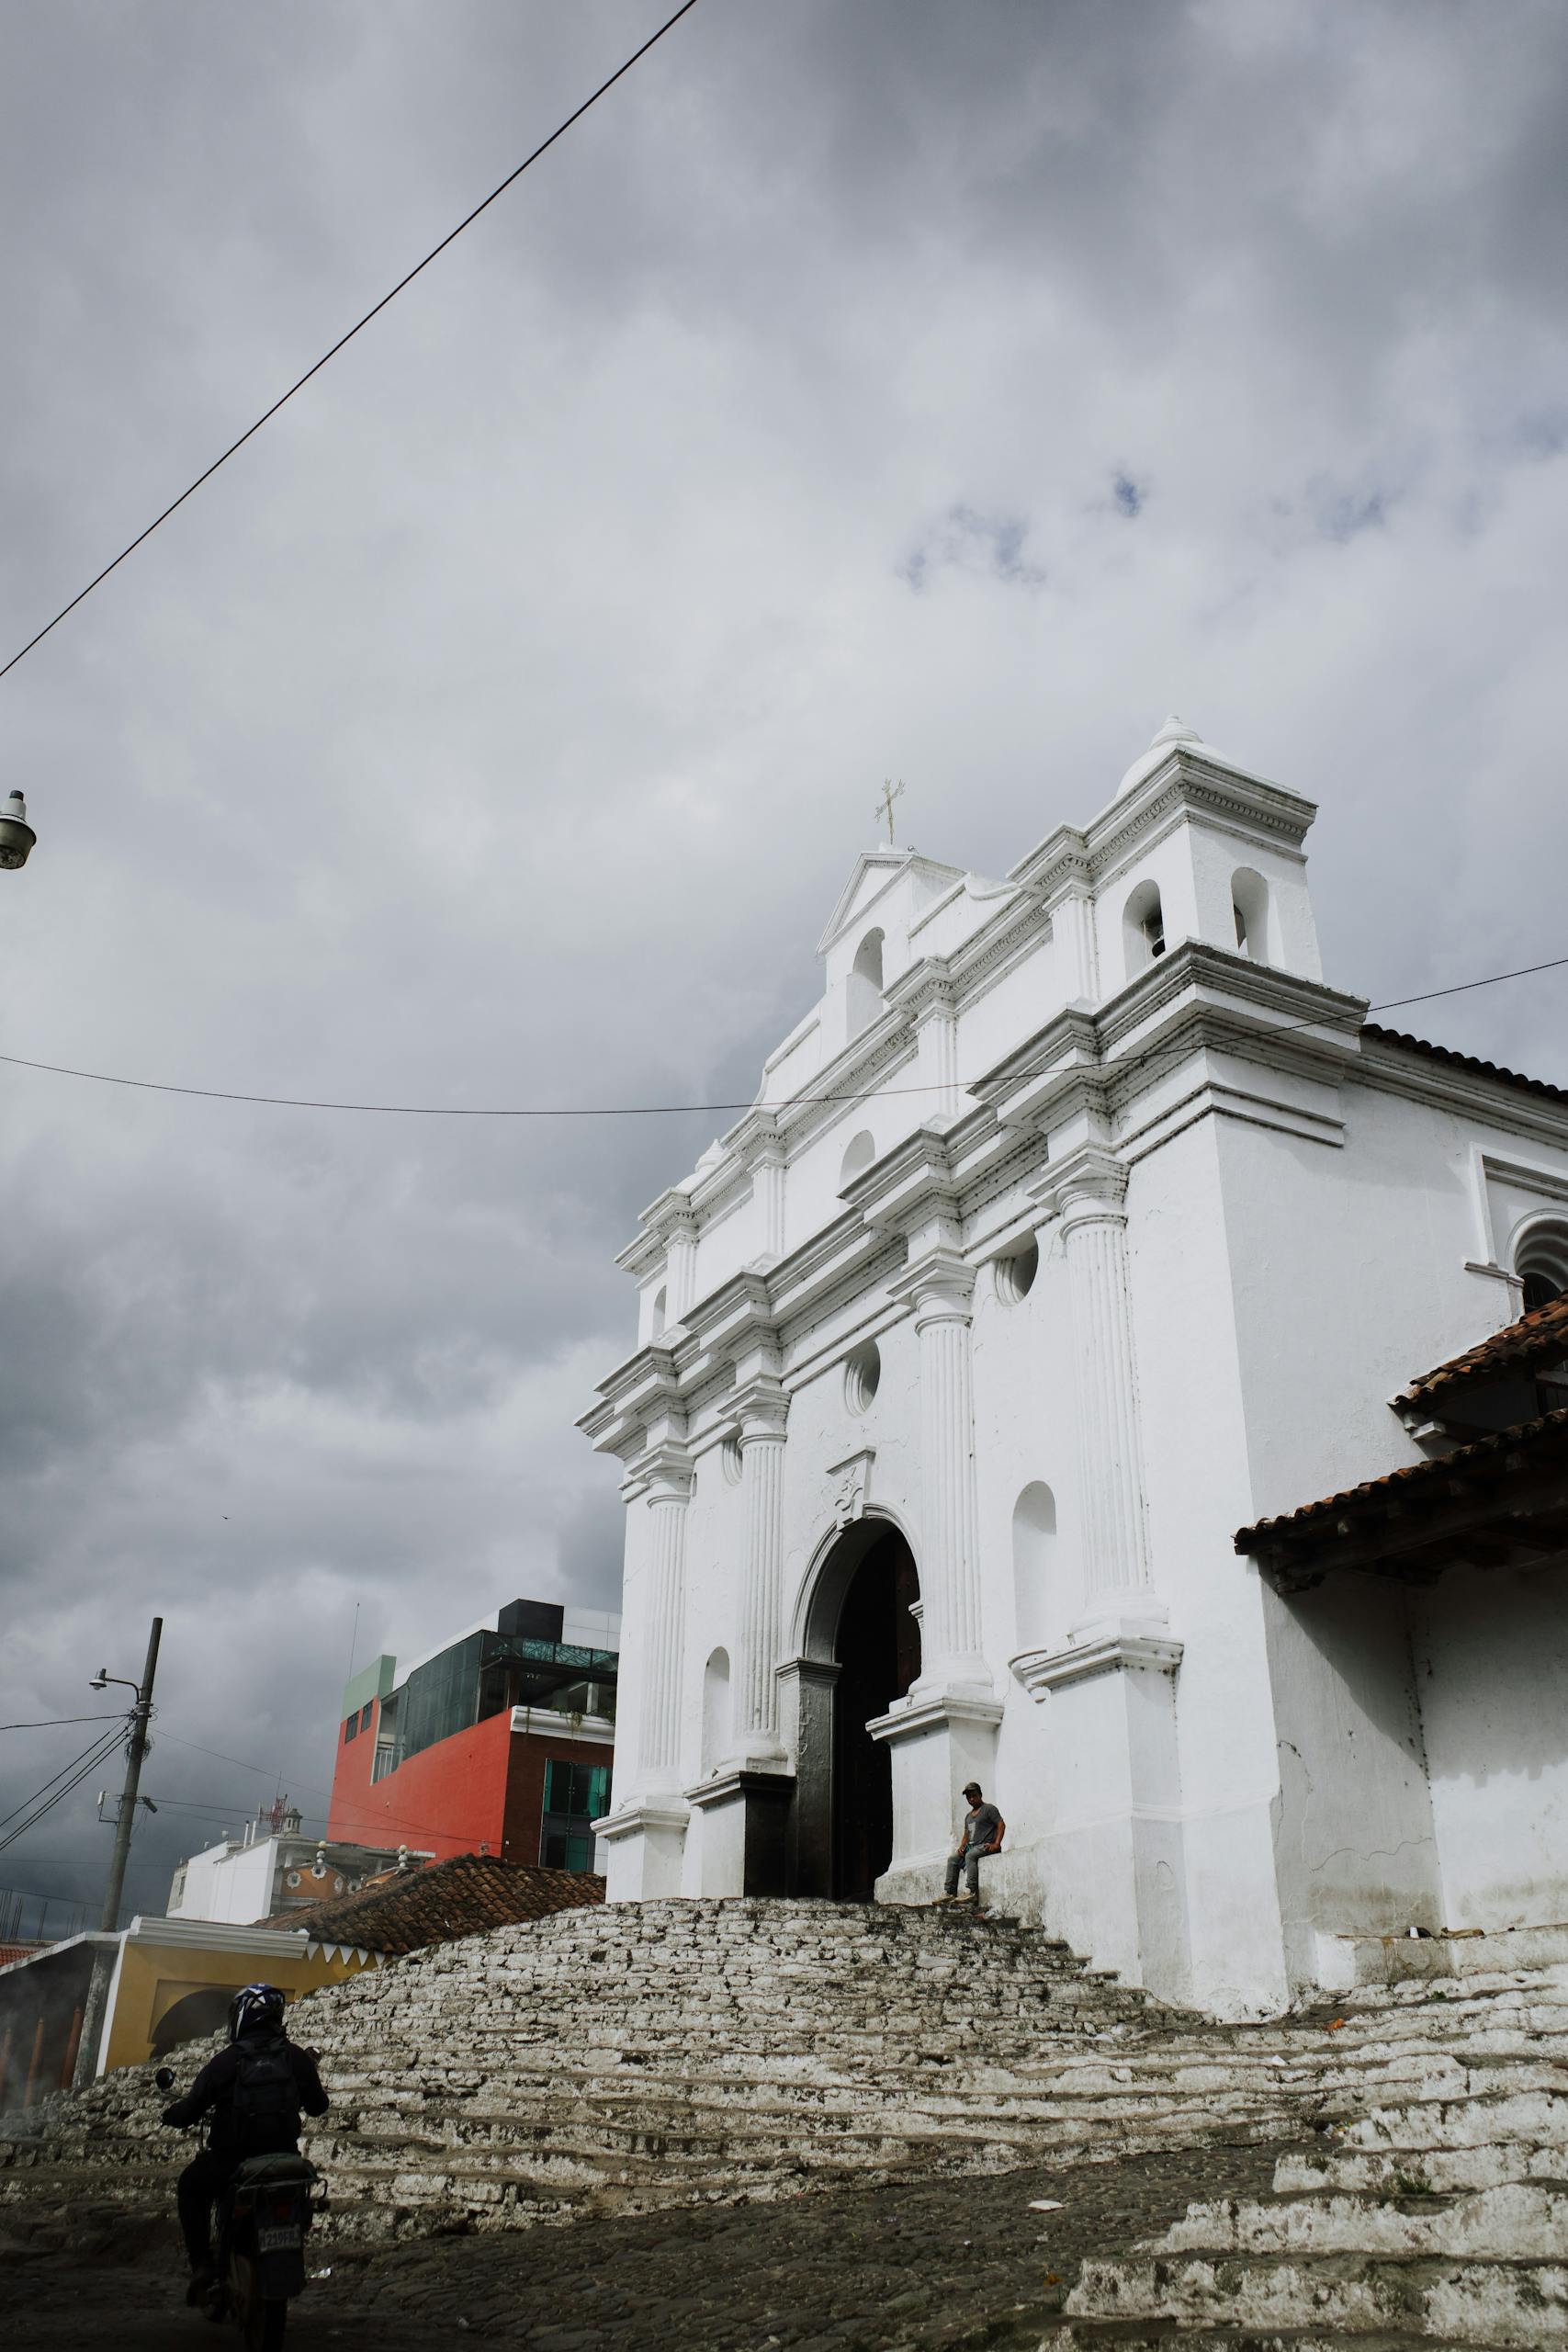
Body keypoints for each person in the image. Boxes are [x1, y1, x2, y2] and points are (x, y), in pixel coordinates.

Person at [161, 1981, 329, 2307]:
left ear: (240, 2018)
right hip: (284, 2160)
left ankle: (202, 2266)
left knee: (191, 2187)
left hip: (232, 2163)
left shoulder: (224, 2063)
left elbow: (190, 2109)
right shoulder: (296, 2058)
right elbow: (319, 2106)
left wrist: (172, 2115)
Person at [936, 1781, 1005, 1906]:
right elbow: (966, 1835)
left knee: (970, 1855)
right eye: (969, 1797)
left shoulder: (989, 1809)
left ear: (980, 1795)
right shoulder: (968, 1816)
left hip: (986, 1844)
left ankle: (971, 1891)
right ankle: (949, 1893)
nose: (971, 1799)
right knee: (953, 1859)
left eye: (974, 1796)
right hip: (972, 1846)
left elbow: (1001, 1824)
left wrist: (997, 1844)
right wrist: (962, 1847)